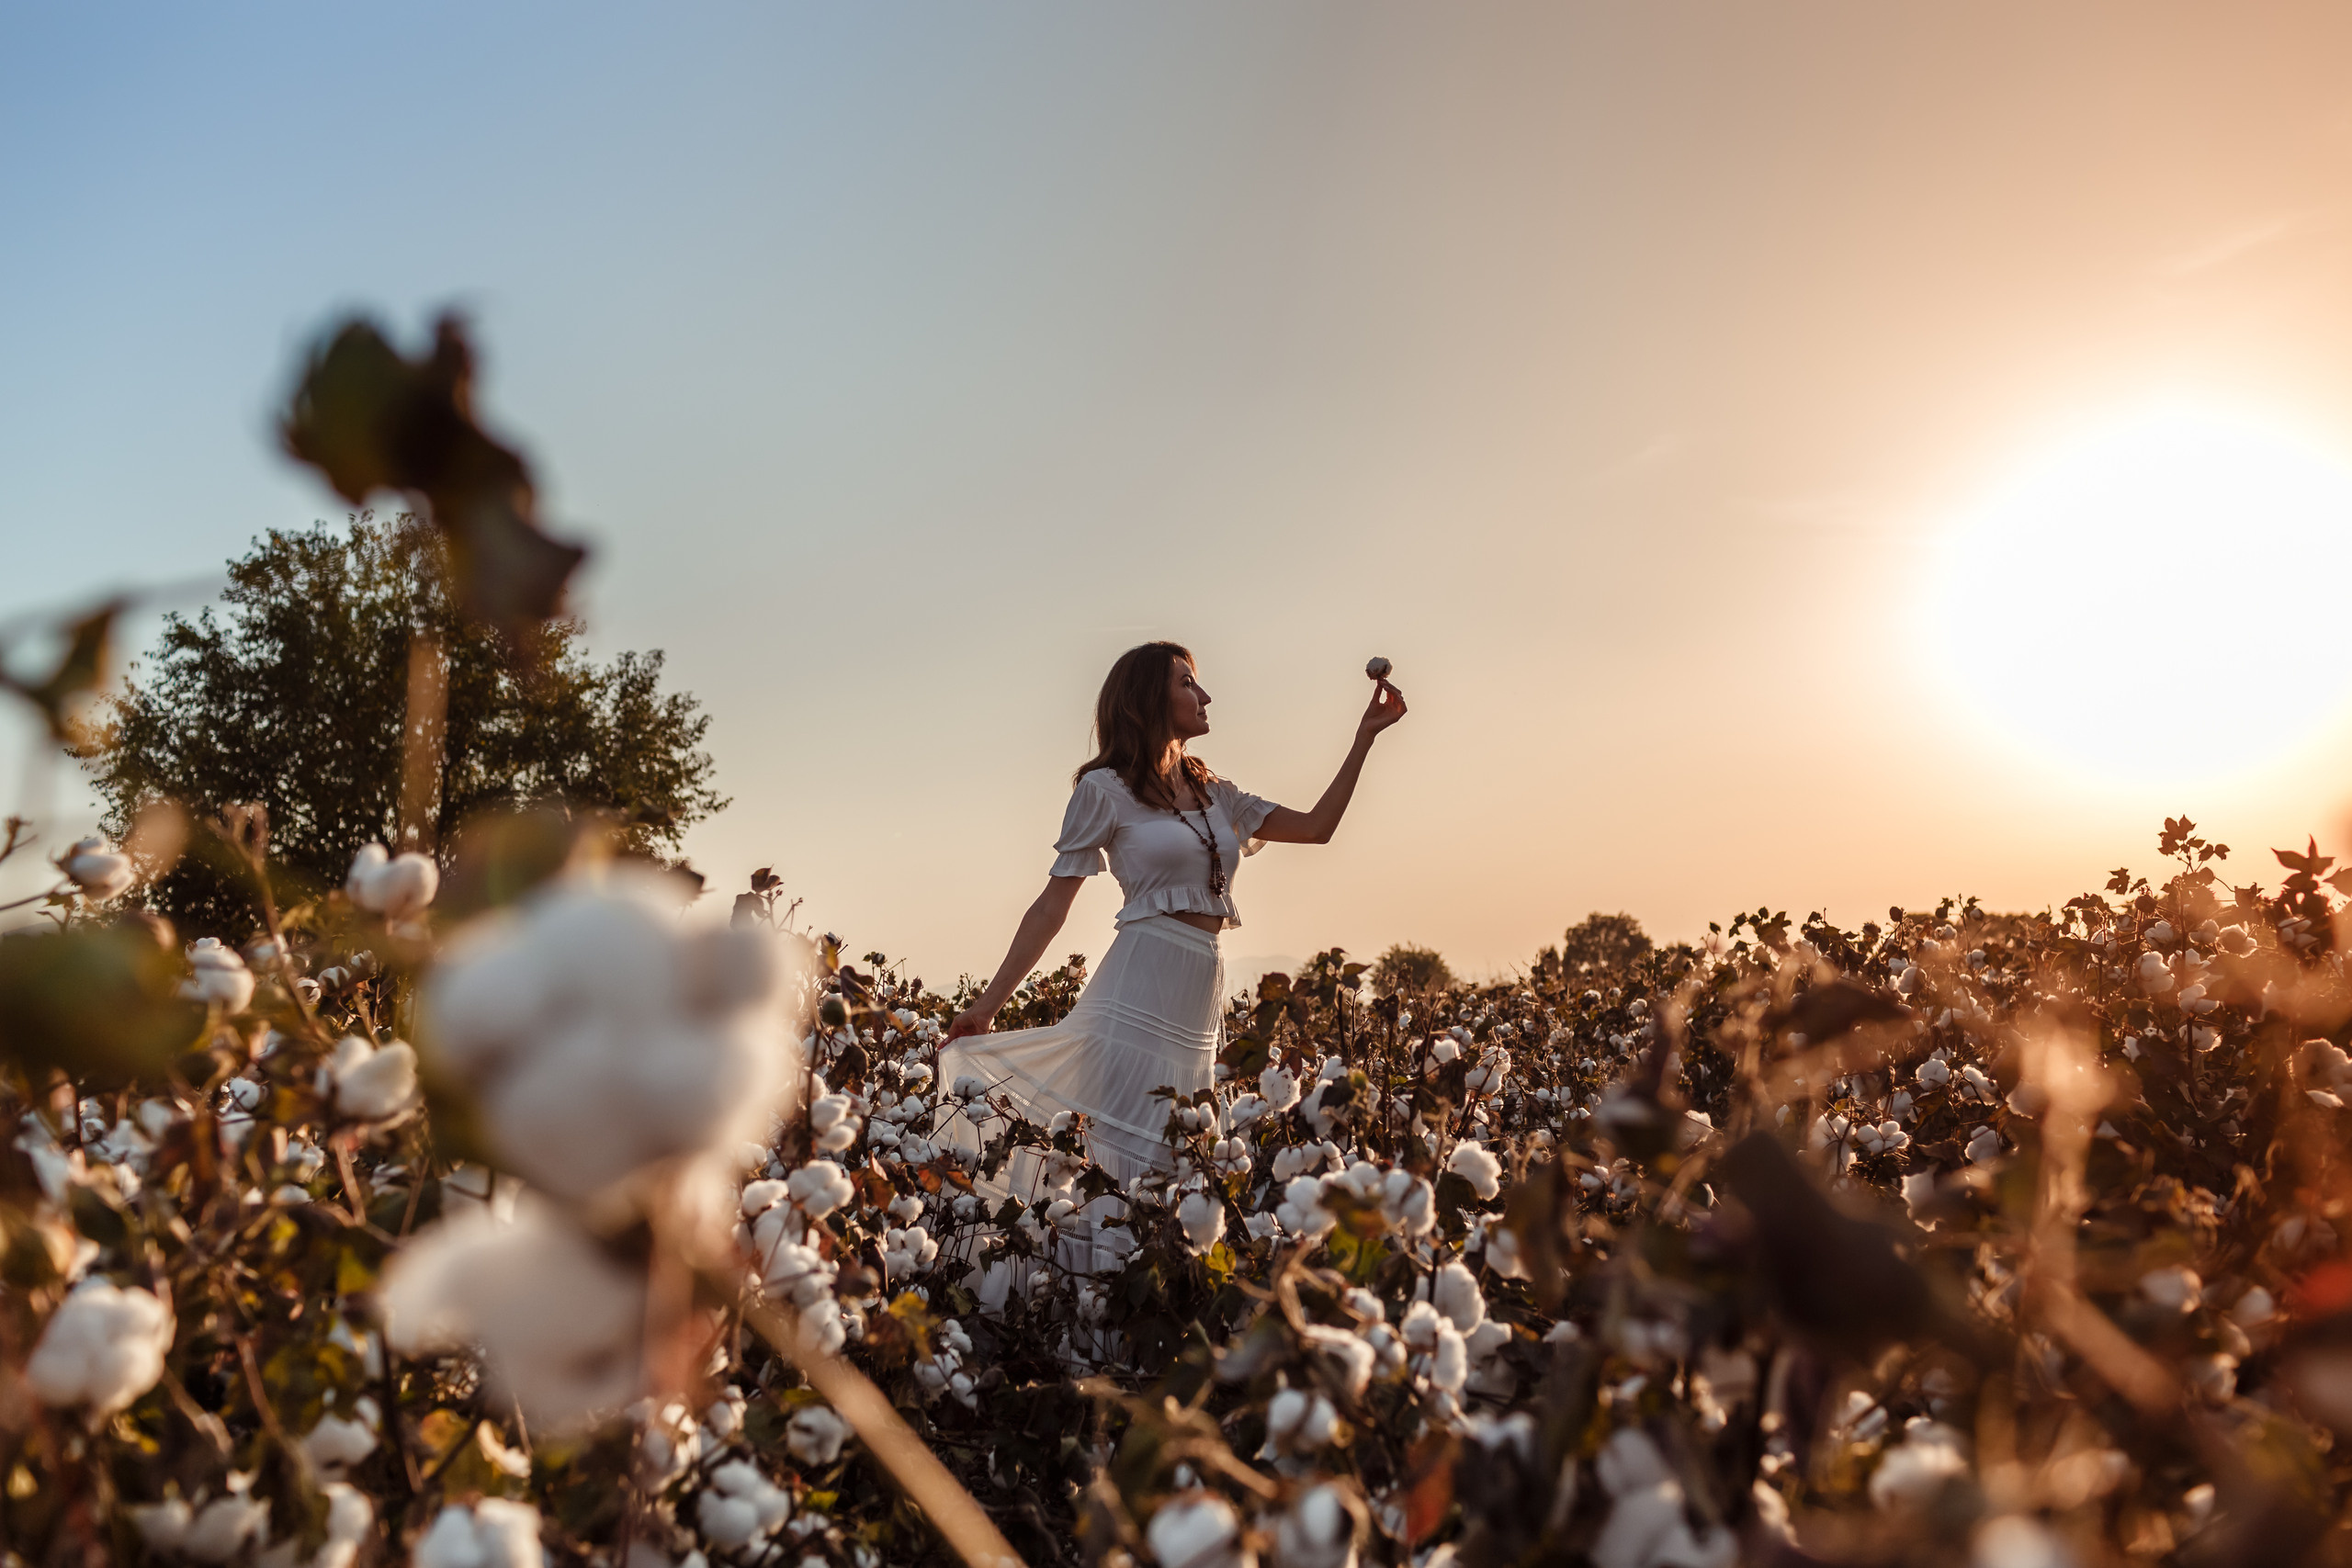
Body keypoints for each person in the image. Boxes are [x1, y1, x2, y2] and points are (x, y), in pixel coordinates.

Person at [939, 641, 1407, 1190]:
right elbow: (1050, 907)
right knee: (1124, 1163)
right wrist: (987, 1006)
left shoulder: (1216, 793)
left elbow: (1315, 827)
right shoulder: (1103, 790)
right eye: (1187, 683)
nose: (1204, 695)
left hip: (1198, 994)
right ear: (1146, 701)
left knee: (1183, 1162)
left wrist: (1364, 738)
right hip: (1136, 989)